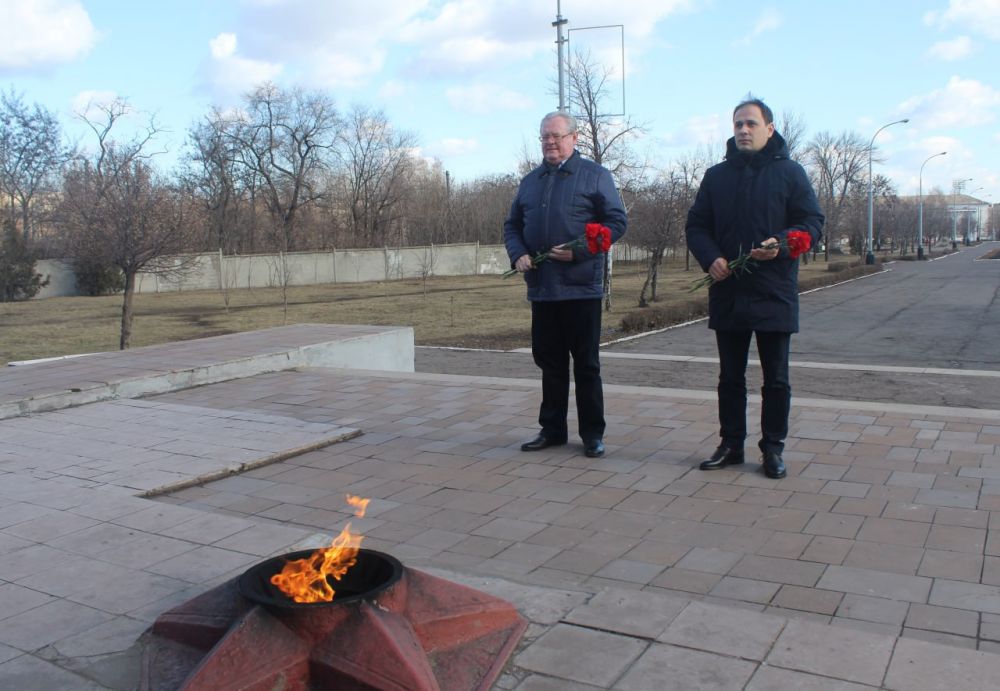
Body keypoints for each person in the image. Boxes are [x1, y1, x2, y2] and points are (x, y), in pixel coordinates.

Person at [685, 97, 824, 479]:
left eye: (751, 123)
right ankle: (731, 445)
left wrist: (783, 243)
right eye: (738, 124)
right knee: (730, 378)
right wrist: (711, 257)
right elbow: (696, 225)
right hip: (728, 289)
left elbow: (812, 222)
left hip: (773, 290)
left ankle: (772, 449)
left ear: (769, 128)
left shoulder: (790, 173)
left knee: (776, 379)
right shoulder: (716, 176)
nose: (743, 130)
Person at [503, 111, 627, 458]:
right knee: (550, 362)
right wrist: (518, 254)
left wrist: (580, 251)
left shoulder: (595, 176)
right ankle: (553, 429)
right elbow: (512, 225)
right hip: (543, 287)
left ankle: (592, 434)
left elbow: (616, 222)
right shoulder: (530, 182)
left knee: (586, 364)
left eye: (556, 136)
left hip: (581, 286)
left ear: (574, 138)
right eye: (544, 136)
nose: (549, 142)